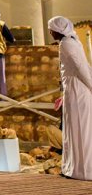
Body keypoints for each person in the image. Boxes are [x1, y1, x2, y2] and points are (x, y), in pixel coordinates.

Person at [48, 16, 92, 180]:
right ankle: (73, 168)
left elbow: (82, 68)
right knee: (74, 131)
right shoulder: (70, 42)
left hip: (77, 91)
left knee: (80, 131)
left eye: (51, 29)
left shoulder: (66, 44)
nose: (50, 32)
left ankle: (83, 171)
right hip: (74, 90)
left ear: (57, 30)